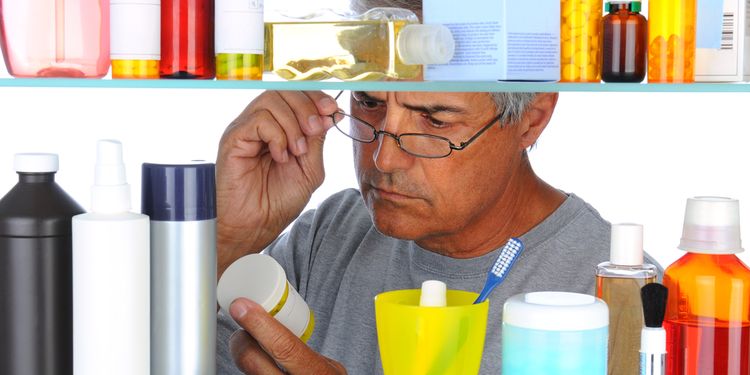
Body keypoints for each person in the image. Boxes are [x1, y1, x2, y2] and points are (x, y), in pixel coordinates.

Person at [214, 5, 659, 375]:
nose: (384, 160)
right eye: (367, 103)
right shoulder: (328, 235)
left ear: (532, 117)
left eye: (436, 120)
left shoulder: (617, 291)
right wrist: (226, 240)